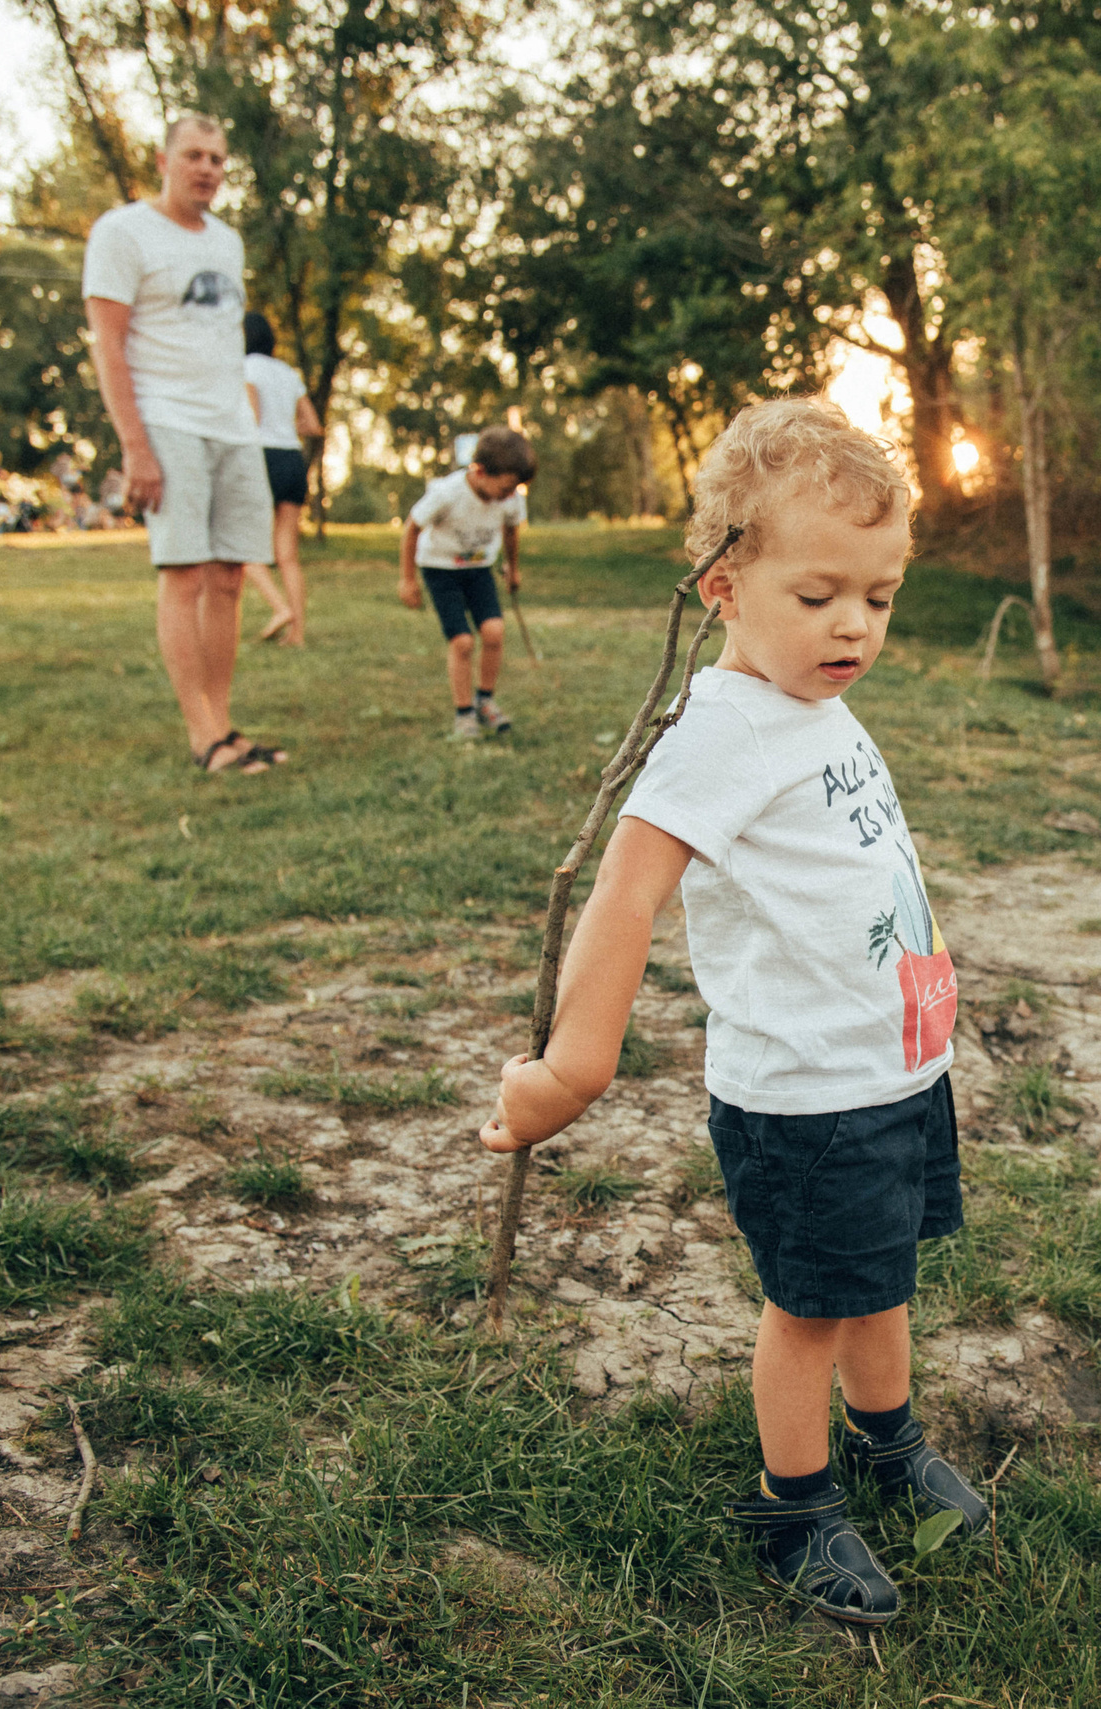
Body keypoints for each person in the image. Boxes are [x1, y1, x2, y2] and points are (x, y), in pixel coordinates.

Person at [478, 397, 983, 1627]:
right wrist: (573, 1065)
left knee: (881, 1278)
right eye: (818, 597)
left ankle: (887, 1437)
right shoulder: (720, 731)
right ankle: (793, 1500)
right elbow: (625, 891)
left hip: (891, 1071)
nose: (854, 625)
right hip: (807, 1099)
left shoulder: (811, 700)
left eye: (880, 595)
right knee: (809, 1307)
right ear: (721, 583)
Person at [82, 112, 285, 776]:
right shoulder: (122, 233)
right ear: (164, 160)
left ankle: (225, 724)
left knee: (229, 577)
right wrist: (135, 446)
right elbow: (108, 345)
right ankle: (203, 736)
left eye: (218, 160)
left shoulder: (226, 243)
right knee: (186, 574)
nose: (207, 169)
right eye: (194, 156)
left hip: (232, 426)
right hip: (167, 421)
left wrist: (245, 421)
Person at [398, 425, 534, 740]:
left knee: (494, 631)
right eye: (506, 488)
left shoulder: (511, 498)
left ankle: (484, 700)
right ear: (480, 471)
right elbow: (411, 528)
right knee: (462, 642)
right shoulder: (447, 493)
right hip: (440, 569)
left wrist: (512, 568)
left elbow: (512, 530)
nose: (510, 496)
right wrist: (407, 580)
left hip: (479, 570)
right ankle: (464, 714)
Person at [242, 310, 322, 645]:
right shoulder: (288, 374)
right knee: (287, 554)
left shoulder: (244, 368)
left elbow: (251, 418)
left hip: (260, 456)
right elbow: (313, 426)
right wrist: (291, 426)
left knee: (243, 547)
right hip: (291, 459)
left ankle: (279, 609)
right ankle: (298, 634)